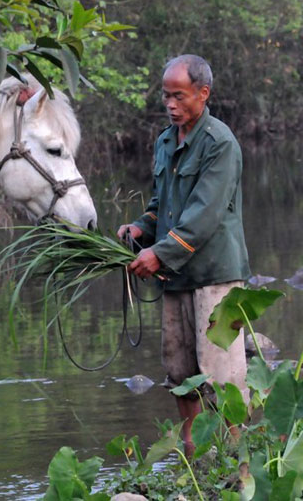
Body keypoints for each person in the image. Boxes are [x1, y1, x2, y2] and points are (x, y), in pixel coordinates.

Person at [117, 54, 250, 457]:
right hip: (176, 274)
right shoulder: (164, 140)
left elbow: (203, 216)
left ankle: (235, 455)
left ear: (203, 94)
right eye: (166, 96)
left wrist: (159, 254)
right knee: (179, 371)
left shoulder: (220, 143)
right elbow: (164, 206)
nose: (171, 104)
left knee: (221, 376)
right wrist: (140, 228)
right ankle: (192, 452)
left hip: (214, 273)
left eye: (179, 96)